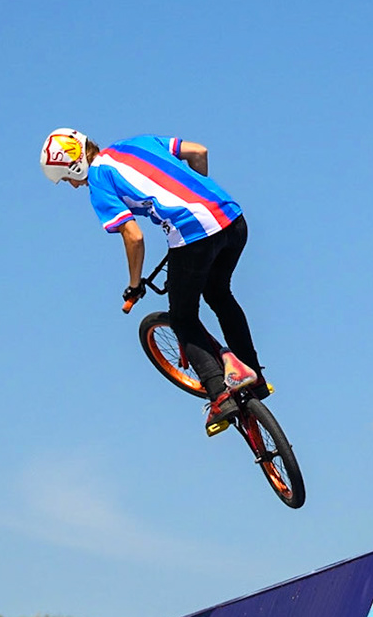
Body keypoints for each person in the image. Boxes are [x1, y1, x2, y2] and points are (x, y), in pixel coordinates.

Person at [41, 129, 267, 434]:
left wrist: (134, 285)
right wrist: (198, 202)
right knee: (218, 292)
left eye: (67, 178)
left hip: (194, 236)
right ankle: (254, 375)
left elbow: (133, 236)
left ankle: (220, 396)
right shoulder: (136, 143)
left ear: (76, 166)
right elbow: (199, 152)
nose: (71, 185)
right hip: (232, 218)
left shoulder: (98, 182)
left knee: (183, 318)